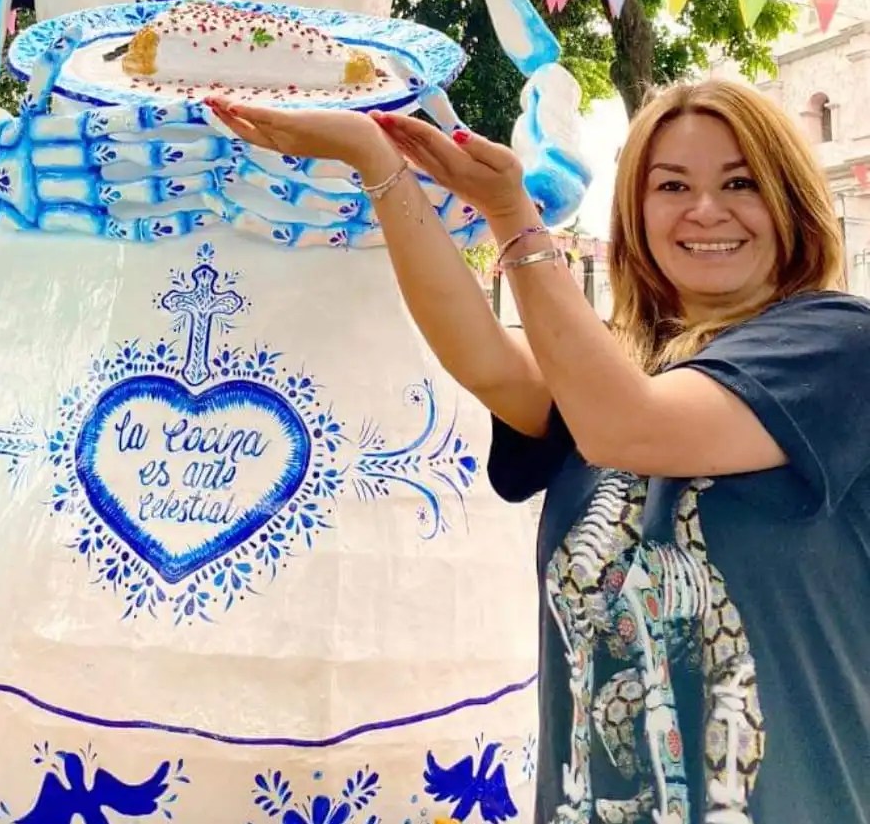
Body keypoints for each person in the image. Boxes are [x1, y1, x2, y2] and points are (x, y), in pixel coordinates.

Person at [207, 78, 870, 823]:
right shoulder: (613, 371)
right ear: (637, 212)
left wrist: (514, 216)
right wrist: (376, 162)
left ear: (790, 199)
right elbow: (485, 359)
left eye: (740, 182)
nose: (705, 210)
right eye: (672, 184)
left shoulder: (838, 345)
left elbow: (633, 428)